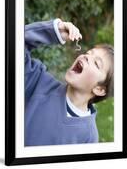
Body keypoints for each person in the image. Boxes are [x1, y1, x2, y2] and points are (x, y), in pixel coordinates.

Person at [25, 18, 114, 146]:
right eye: (89, 53)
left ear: (99, 89)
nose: (86, 56)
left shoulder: (88, 137)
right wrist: (54, 31)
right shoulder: (38, 81)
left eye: (96, 63)